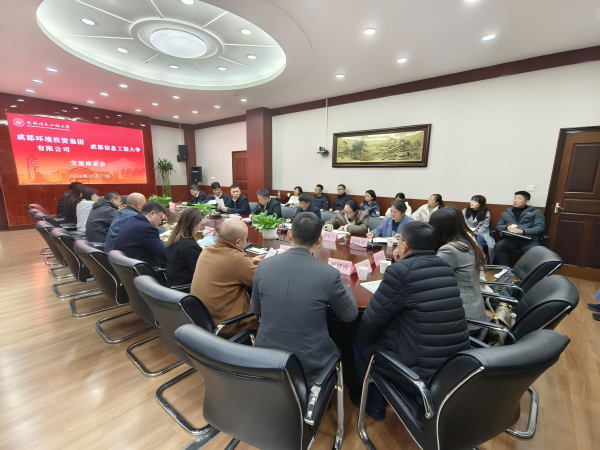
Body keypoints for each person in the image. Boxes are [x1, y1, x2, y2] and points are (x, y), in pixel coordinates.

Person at [353, 221, 470, 420]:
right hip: (456, 365)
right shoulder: (444, 265)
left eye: (399, 241)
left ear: (405, 246)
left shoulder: (401, 272)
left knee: (362, 344)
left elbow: (371, 320)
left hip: (420, 373)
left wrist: (363, 339)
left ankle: (374, 406)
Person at [252, 212, 358, 385]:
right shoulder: (329, 274)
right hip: (309, 365)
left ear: (289, 235)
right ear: (320, 240)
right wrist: (345, 286)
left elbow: (256, 309)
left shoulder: (264, 265)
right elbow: (350, 315)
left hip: (265, 357)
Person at [190, 219, 263, 338]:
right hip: (227, 326)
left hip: (203, 321)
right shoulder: (238, 260)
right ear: (238, 242)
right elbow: (265, 281)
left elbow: (230, 264)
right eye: (246, 239)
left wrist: (250, 261)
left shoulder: (207, 250)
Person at [430, 206, 488, 336]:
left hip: (464, 321)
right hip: (475, 312)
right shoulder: (466, 240)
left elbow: (430, 279)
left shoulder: (450, 250)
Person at [494, 191, 545, 266]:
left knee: (534, 252)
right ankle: (504, 268)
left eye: (519, 199)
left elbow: (539, 228)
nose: (515, 200)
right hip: (511, 239)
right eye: (515, 198)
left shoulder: (536, 212)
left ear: (527, 201)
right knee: (498, 247)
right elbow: (498, 226)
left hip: (529, 240)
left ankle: (526, 271)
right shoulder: (507, 212)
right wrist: (507, 227)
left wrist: (522, 231)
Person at [114, 201, 169, 268]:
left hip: (126, 265)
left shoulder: (132, 220)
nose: (160, 222)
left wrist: (157, 240)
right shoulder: (147, 228)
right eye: (161, 218)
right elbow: (165, 254)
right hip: (142, 267)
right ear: (152, 214)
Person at [165, 207, 203, 287]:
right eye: (200, 224)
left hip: (173, 283)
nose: (200, 227)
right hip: (185, 287)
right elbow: (199, 272)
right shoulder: (189, 246)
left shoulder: (173, 239)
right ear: (195, 224)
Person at [463, 195, 495, 261]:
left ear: (480, 204)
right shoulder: (465, 211)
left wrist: (475, 231)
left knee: (479, 238)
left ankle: (479, 258)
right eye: (472, 201)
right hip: (467, 231)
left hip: (482, 233)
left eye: (475, 202)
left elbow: (483, 228)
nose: (472, 203)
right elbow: (462, 223)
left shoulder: (486, 213)